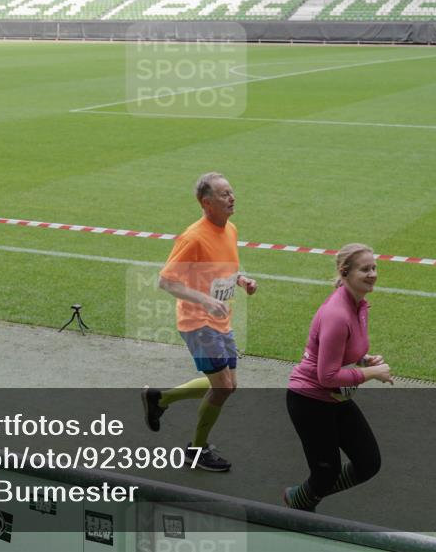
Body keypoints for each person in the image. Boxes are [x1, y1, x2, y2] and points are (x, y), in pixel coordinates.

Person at [141, 172, 257, 472]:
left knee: (229, 385)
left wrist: (240, 279)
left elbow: (222, 267)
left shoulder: (230, 229)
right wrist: (204, 300)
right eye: (224, 194)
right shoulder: (192, 237)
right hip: (197, 322)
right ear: (206, 203)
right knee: (222, 387)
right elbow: (166, 282)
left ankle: (160, 398)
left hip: (220, 319)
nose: (232, 197)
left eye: (231, 191)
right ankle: (196, 449)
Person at [282, 243, 392, 511]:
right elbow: (327, 375)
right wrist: (370, 372)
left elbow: (342, 353)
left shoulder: (360, 304)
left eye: (374, 267)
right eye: (365, 269)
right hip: (309, 401)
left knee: (368, 464)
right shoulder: (337, 314)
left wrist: (363, 360)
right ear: (345, 273)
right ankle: (299, 507)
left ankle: (300, 498)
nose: (373, 274)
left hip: (335, 400)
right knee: (325, 473)